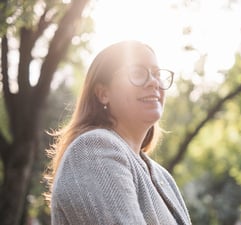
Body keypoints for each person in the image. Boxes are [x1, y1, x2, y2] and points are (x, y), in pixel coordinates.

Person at [47, 40, 191, 225]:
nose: (154, 82)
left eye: (157, 74)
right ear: (102, 93)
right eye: (138, 73)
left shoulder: (163, 177)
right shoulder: (92, 150)